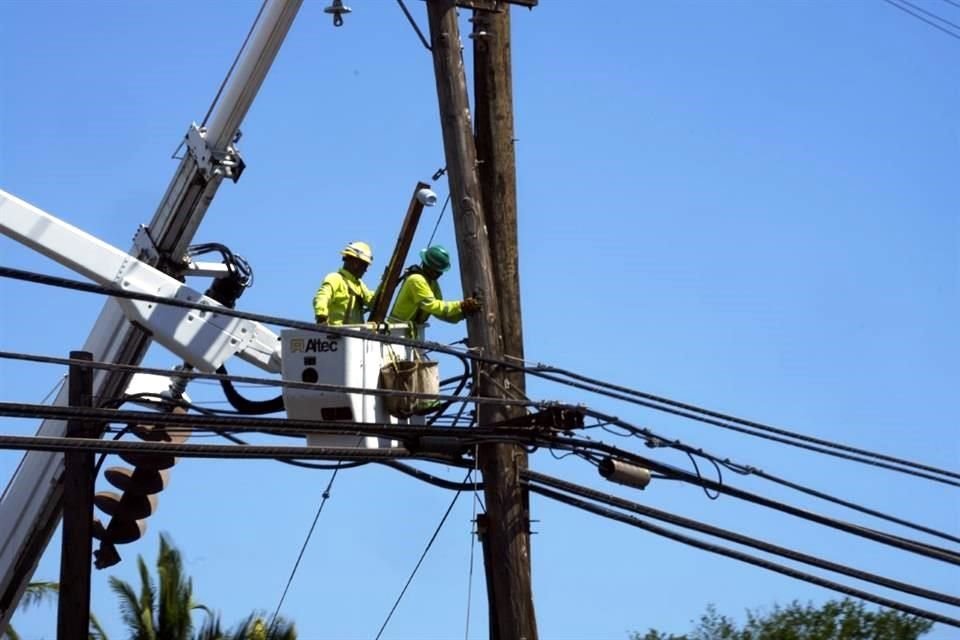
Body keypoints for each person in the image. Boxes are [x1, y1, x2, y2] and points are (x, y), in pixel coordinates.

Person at [388, 245, 481, 337]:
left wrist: (463, 313)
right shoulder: (416, 280)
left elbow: (441, 312)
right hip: (395, 332)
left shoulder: (433, 284)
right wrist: (461, 305)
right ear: (431, 269)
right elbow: (434, 306)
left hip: (412, 335)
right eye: (438, 271)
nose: (440, 274)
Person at [313, 241, 376, 325]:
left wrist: (385, 286)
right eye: (364, 265)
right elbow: (322, 296)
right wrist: (322, 317)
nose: (365, 270)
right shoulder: (335, 278)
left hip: (356, 335)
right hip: (337, 334)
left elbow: (371, 301)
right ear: (354, 262)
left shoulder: (359, 284)